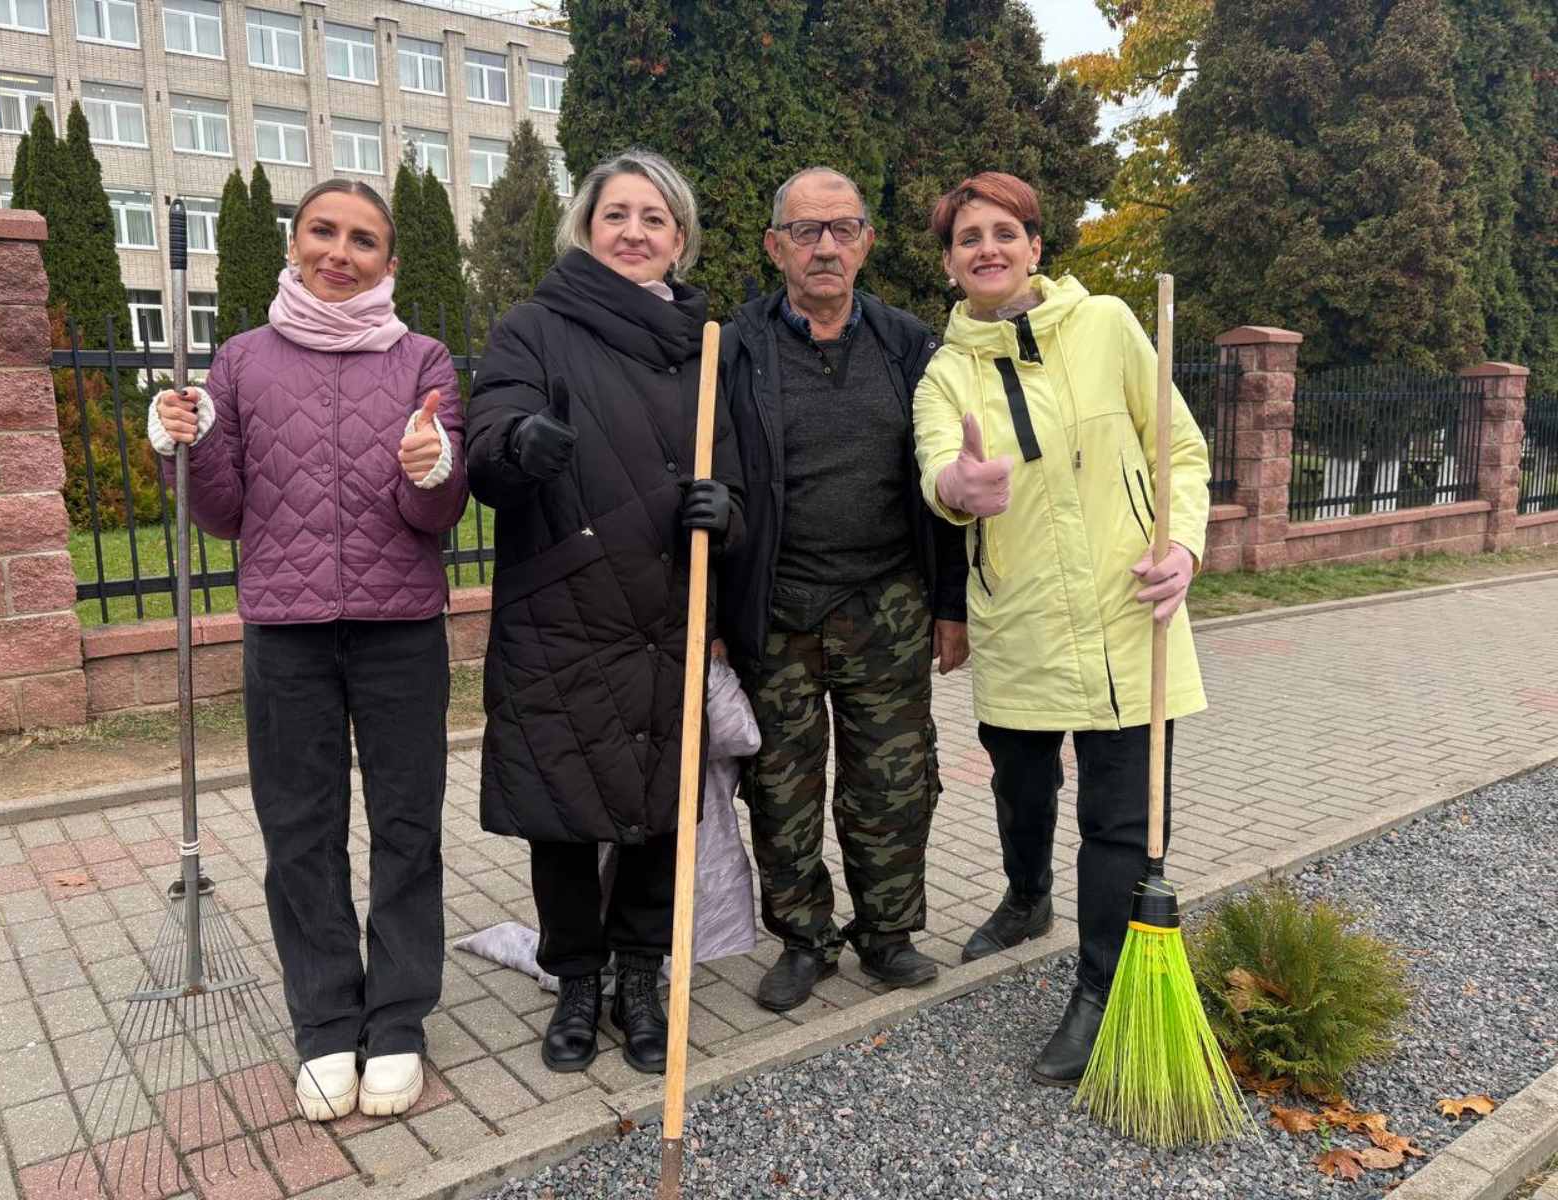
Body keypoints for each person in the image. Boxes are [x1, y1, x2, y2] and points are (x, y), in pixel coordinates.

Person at [148, 179, 468, 1121]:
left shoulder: (422, 359)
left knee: (406, 826)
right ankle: (327, 1021)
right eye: (323, 232)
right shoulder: (242, 361)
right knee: (299, 830)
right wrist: (187, 444)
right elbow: (222, 513)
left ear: (389, 262)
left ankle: (398, 1019)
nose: (340, 252)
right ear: (294, 245)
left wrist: (432, 470)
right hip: (285, 632)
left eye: (363, 240)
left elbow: (435, 516)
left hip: (400, 630)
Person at [911, 171, 1212, 1087]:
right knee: (1023, 787)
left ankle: (1098, 987)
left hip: (1130, 617)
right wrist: (960, 487)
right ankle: (1027, 894)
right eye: (968, 238)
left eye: (1005, 232)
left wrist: (1184, 547)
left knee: (1120, 818)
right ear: (949, 263)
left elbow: (1180, 450)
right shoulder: (946, 372)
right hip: (1023, 623)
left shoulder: (1111, 325)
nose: (988, 249)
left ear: (1036, 247)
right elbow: (936, 469)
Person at [464, 150, 744, 1076]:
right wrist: (519, 442)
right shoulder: (535, 327)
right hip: (563, 614)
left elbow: (736, 470)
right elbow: (487, 437)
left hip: (666, 617)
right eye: (616, 214)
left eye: (654, 218)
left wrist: (729, 512)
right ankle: (577, 979)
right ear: (586, 228)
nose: (634, 231)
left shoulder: (706, 345)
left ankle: (640, 978)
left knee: (661, 809)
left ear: (679, 238)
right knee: (563, 811)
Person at [718, 166, 970, 1013]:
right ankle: (804, 941)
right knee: (781, 786)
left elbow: (942, 482)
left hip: (887, 604)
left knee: (893, 783)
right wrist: (714, 618)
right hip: (776, 609)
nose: (824, 247)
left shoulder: (911, 346)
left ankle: (888, 934)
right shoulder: (735, 348)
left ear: (867, 241)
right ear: (774, 246)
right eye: (805, 231)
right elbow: (713, 478)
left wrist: (949, 606)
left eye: (842, 229)